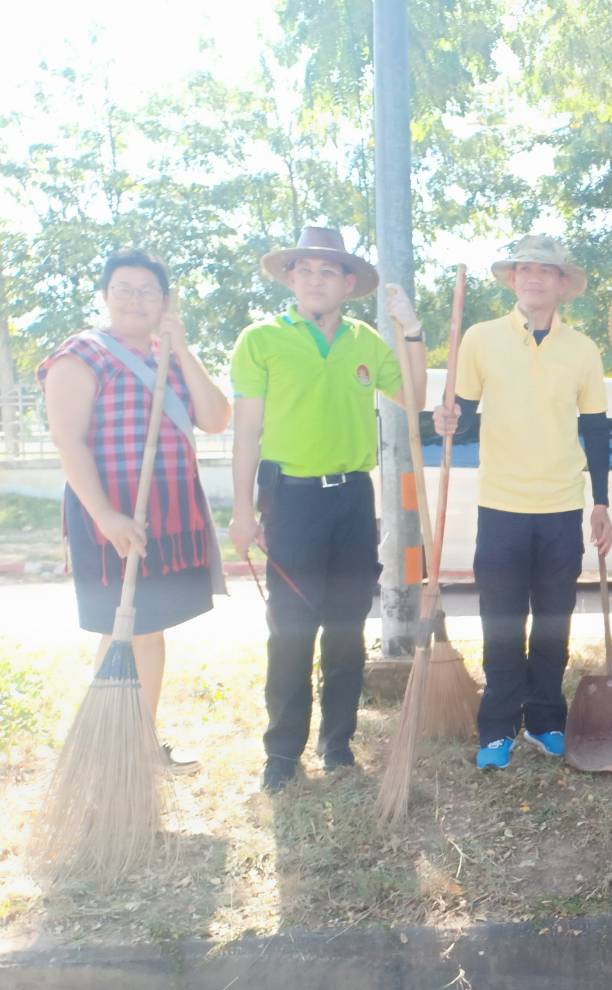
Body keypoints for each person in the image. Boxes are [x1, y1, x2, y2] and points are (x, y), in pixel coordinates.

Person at [229, 227, 426, 793]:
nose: (315, 280)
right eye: (305, 270)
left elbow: (411, 399)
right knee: (290, 630)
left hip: (352, 499)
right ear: (291, 278)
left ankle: (338, 743)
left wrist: (411, 334)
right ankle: (282, 752)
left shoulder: (366, 341)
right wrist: (243, 510)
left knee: (345, 626)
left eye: (327, 271)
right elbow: (246, 432)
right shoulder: (261, 339)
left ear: (346, 283)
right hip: (290, 498)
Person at [40, 248, 232, 774]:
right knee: (120, 628)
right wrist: (105, 516)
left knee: (151, 628)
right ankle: (107, 748)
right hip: (114, 517)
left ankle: (139, 743)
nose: (135, 299)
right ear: (104, 296)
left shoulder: (167, 357)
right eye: (123, 288)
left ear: (165, 303)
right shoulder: (82, 353)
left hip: (167, 518)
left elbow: (216, 417)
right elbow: (67, 441)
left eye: (148, 291)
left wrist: (183, 350)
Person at [432, 235, 612, 770]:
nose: (533, 278)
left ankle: (546, 719)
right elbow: (458, 410)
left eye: (546, 270)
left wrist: (600, 502)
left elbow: (596, 429)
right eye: (524, 269)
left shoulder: (583, 348)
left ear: (562, 284)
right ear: (512, 280)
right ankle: (496, 728)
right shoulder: (481, 339)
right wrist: (445, 419)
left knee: (554, 620)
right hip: (501, 505)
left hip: (561, 505)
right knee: (502, 621)